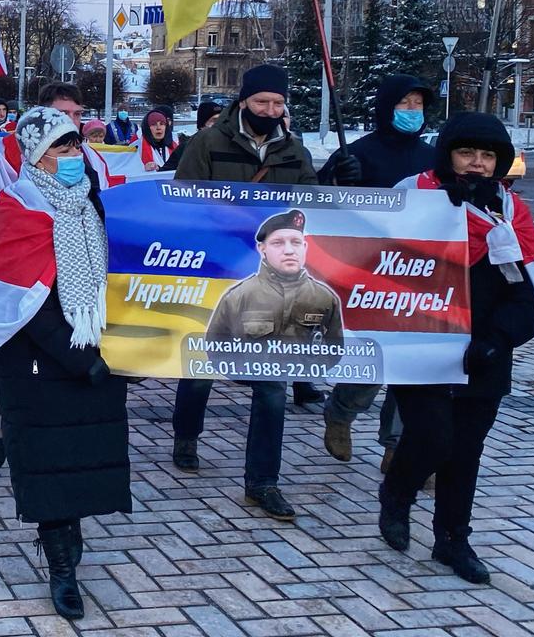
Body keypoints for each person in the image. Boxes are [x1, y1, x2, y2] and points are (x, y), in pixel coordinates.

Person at [380, 113, 534, 584]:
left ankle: (453, 539)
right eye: (466, 153)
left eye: (487, 155)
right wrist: (341, 180)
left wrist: (497, 340)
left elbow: (525, 295)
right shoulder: (414, 201)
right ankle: (397, 492)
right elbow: (361, 239)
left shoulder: (509, 216)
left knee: (465, 449)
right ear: (448, 155)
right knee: (432, 437)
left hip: (484, 352)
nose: (476, 164)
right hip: (422, 344)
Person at [0, 107, 130, 621]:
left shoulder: (94, 207)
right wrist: (75, 357)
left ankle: (71, 550)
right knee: (50, 470)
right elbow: (18, 305)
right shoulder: (16, 209)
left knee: (82, 462)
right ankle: (63, 567)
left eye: (76, 146)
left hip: (93, 352)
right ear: (36, 157)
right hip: (39, 365)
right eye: (62, 148)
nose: (74, 157)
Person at [0, 80, 118, 471]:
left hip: (72, 298)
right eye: (63, 115)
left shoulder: (87, 164)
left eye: (77, 116)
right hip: (26, 283)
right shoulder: (7, 154)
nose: (73, 125)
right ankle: (2, 427)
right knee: (21, 372)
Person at [170, 64, 318, 522]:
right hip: (215, 273)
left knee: (271, 385)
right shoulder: (208, 143)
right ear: (244, 102)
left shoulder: (294, 150)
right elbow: (184, 201)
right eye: (261, 103)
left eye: (278, 104)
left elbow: (312, 207)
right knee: (200, 365)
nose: (270, 112)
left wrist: (333, 183)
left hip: (270, 281)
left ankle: (262, 482)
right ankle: (186, 435)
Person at [316, 75, 435, 465]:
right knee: (376, 357)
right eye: (404, 104)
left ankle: (397, 447)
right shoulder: (358, 152)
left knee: (413, 366)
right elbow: (319, 205)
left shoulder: (432, 157)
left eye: (418, 104)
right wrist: (336, 179)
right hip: (370, 274)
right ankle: (341, 413)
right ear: (386, 108)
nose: (412, 112)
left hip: (421, 273)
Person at [207, 210, 344, 347]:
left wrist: (308, 367)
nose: (289, 251)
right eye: (278, 243)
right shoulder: (238, 297)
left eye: (295, 242)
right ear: (262, 249)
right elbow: (216, 348)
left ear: (304, 247)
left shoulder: (325, 299)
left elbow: (334, 350)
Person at [167, 101, 221, 169]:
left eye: (221, 120)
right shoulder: (187, 148)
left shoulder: (227, 147)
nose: (219, 124)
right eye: (214, 120)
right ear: (202, 125)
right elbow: (165, 174)